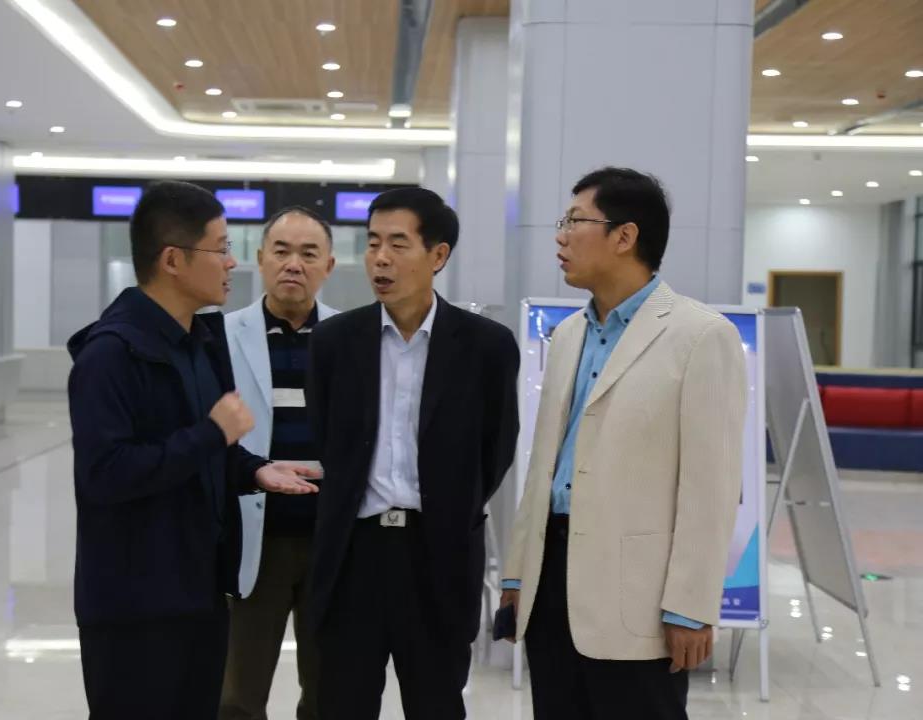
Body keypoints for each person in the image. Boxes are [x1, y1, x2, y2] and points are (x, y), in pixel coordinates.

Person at [499, 167, 747, 719]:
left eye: (575, 221)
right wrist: (518, 574)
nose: (561, 236)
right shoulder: (568, 334)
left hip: (638, 594)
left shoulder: (701, 336)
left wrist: (690, 606)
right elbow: (545, 466)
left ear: (625, 236)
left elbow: (711, 487)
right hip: (552, 579)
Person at [67, 181, 319, 720]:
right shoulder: (109, 355)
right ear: (173, 260)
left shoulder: (200, 343)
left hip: (200, 593)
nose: (231, 263)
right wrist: (211, 433)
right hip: (134, 606)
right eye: (221, 248)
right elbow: (105, 475)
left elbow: (205, 454)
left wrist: (253, 470)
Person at [307, 187, 520, 720]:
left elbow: (495, 450)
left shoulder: (487, 347)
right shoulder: (333, 342)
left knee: (436, 705)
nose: (380, 258)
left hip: (438, 555)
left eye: (398, 244)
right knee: (340, 704)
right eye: (372, 243)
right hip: (353, 556)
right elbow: (327, 438)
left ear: (438, 255)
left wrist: (450, 504)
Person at [220, 206, 338, 720]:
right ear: (260, 259)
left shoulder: (352, 337)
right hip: (254, 537)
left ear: (328, 266)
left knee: (330, 692)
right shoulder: (220, 336)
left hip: (331, 540)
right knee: (237, 696)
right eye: (282, 251)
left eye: (309, 254)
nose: (294, 264)